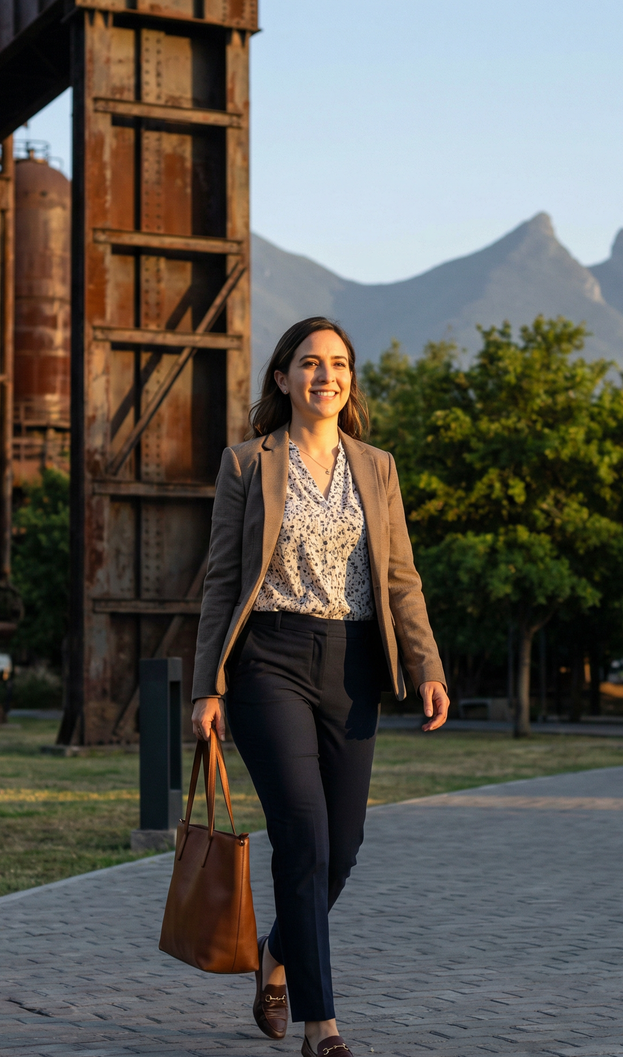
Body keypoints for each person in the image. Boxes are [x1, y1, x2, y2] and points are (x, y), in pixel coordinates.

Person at [191, 316, 450, 1057]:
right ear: (283, 377)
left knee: (343, 846)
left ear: (349, 380)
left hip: (353, 663)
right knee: (302, 835)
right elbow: (221, 581)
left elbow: (400, 577)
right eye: (309, 363)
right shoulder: (247, 463)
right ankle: (321, 1026)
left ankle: (276, 951)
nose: (325, 375)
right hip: (268, 660)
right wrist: (207, 686)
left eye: (338, 363)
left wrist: (428, 666)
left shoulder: (378, 466)